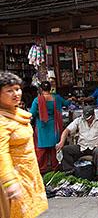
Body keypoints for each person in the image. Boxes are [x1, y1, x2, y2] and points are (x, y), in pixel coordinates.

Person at [0, 72, 48, 218]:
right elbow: (1, 152)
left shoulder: (17, 114)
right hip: (13, 178)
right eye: (9, 90)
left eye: (17, 89)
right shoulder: (2, 121)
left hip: (28, 174)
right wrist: (10, 181)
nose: (16, 93)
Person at [56, 105, 98, 177]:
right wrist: (61, 142)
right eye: (86, 118)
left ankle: (97, 174)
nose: (87, 120)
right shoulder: (79, 120)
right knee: (66, 149)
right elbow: (66, 131)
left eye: (89, 118)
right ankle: (70, 171)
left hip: (96, 146)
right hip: (82, 146)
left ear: (93, 115)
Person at [30, 81, 72, 174]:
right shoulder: (56, 98)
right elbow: (66, 103)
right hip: (54, 126)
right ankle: (55, 168)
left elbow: (31, 114)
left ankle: (41, 169)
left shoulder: (37, 100)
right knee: (54, 149)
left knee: (41, 149)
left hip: (42, 127)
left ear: (40, 89)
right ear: (50, 89)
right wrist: (70, 99)